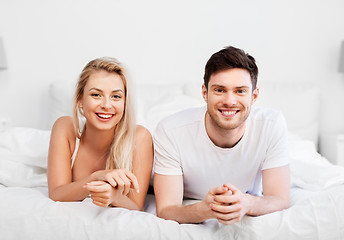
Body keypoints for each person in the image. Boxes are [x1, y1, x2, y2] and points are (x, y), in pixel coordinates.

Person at [153, 46, 290, 224]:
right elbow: (166, 210)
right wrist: (206, 210)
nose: (229, 101)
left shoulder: (272, 125)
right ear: (205, 93)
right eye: (219, 90)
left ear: (254, 96)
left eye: (240, 91)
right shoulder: (170, 131)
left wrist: (247, 203)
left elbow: (280, 199)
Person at [47, 57, 154, 211]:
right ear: (80, 100)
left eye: (116, 96)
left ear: (124, 103)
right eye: (96, 95)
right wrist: (96, 178)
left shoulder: (140, 138)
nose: (106, 105)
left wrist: (115, 196)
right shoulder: (65, 127)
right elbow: (57, 193)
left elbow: (135, 206)